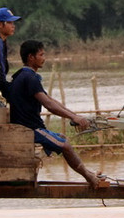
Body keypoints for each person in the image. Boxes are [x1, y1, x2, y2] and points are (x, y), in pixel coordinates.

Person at [9, 39, 106, 189]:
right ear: (31, 57)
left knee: (61, 138)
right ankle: (90, 178)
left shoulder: (22, 75)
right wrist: (73, 117)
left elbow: (50, 99)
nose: (44, 58)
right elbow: (48, 105)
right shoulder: (30, 78)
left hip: (28, 126)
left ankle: (89, 173)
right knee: (65, 145)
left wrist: (75, 115)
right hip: (29, 128)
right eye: (41, 54)